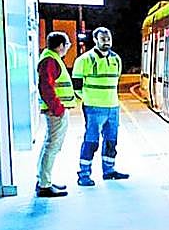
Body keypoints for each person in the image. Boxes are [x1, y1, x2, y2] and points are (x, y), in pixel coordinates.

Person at [73, 26, 129, 186]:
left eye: (108, 38)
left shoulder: (116, 59)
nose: (107, 42)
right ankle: (84, 175)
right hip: (93, 108)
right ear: (95, 40)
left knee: (111, 141)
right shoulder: (83, 60)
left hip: (113, 107)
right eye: (103, 39)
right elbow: (77, 87)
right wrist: (90, 100)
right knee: (91, 142)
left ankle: (109, 171)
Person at [35, 31, 75, 198]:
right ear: (60, 46)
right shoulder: (50, 60)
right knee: (52, 146)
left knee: (49, 144)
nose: (67, 48)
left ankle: (44, 179)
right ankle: (45, 184)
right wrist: (58, 109)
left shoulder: (50, 58)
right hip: (55, 111)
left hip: (55, 110)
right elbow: (46, 88)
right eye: (67, 45)